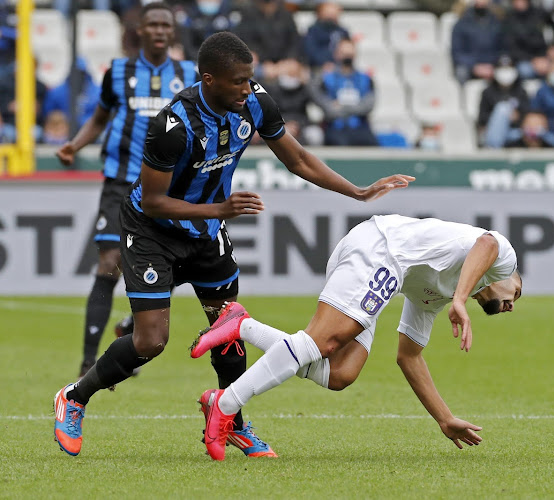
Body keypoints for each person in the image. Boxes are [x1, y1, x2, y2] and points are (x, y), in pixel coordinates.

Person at [53, 31, 414, 459]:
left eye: (250, 79)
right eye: (239, 81)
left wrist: (356, 192)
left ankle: (232, 419)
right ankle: (74, 397)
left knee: (228, 327)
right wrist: (220, 208)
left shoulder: (255, 102)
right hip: (153, 231)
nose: (248, 89)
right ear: (209, 79)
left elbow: (297, 159)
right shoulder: (172, 125)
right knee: (151, 340)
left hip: (206, 233)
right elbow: (152, 200)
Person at [190, 215, 521, 460]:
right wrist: (462, 299)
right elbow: (487, 245)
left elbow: (409, 356)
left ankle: (242, 326)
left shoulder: (436, 295)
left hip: (379, 262)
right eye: (516, 292)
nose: (512, 304)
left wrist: (444, 418)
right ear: (509, 276)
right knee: (324, 341)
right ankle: (227, 402)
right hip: (379, 250)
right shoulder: (503, 258)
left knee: (341, 372)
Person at [54, 3, 197, 378]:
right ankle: (88, 361)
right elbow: (101, 117)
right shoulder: (118, 72)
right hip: (121, 182)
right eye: (153, 24)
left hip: (166, 187)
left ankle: (131, 329)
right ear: (141, 30)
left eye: (166, 24)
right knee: (109, 265)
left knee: (176, 264)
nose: (160, 31)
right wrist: (75, 144)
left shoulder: (188, 75)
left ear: (172, 31)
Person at [310, 38, 379, 146]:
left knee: (372, 144)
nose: (347, 57)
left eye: (350, 54)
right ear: (336, 54)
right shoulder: (326, 78)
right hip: (335, 128)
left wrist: (341, 106)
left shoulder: (365, 79)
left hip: (360, 127)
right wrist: (354, 106)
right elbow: (327, 107)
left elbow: (368, 106)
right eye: (344, 53)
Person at [450, 0, 506, 84]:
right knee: (461, 72)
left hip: (492, 64)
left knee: (508, 72)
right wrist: (475, 67)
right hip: (470, 66)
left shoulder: (496, 22)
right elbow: (457, 53)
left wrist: (493, 64)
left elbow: (503, 48)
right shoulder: (461, 23)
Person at [480, 55, 530, 148]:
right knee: (503, 108)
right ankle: (494, 148)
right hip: (493, 132)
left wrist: (517, 117)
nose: (506, 73)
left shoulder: (521, 92)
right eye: (502, 69)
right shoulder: (488, 92)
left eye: (508, 69)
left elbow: (527, 114)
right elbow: (482, 118)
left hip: (515, 132)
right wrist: (501, 116)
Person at [503, 0, 552, 81]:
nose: (520, 2)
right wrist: (533, 59)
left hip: (543, 57)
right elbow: (512, 49)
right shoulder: (509, 19)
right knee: (525, 71)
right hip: (524, 59)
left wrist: (548, 53)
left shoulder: (540, 13)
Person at [303, 1, 350, 72]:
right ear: (320, 13)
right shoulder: (313, 31)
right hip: (317, 68)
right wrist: (323, 63)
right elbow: (311, 51)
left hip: (340, 68)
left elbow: (347, 50)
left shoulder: (343, 32)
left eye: (334, 12)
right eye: (328, 11)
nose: (331, 14)